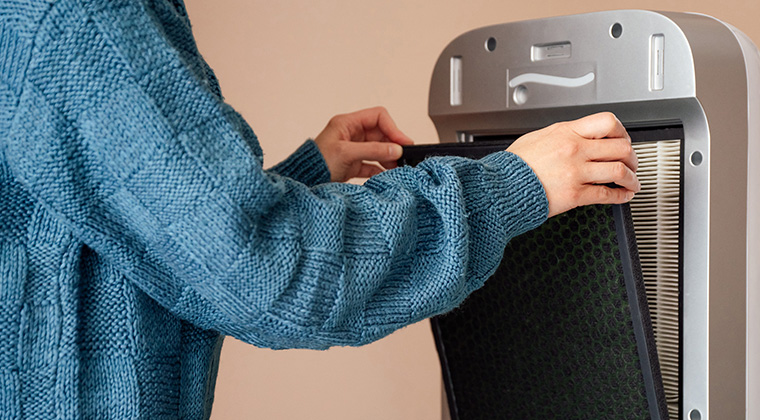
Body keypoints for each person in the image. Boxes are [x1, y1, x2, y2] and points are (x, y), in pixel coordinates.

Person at [0, 0, 639, 418]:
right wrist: (513, 185)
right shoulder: (71, 17)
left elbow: (118, 237)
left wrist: (298, 179)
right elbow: (274, 275)